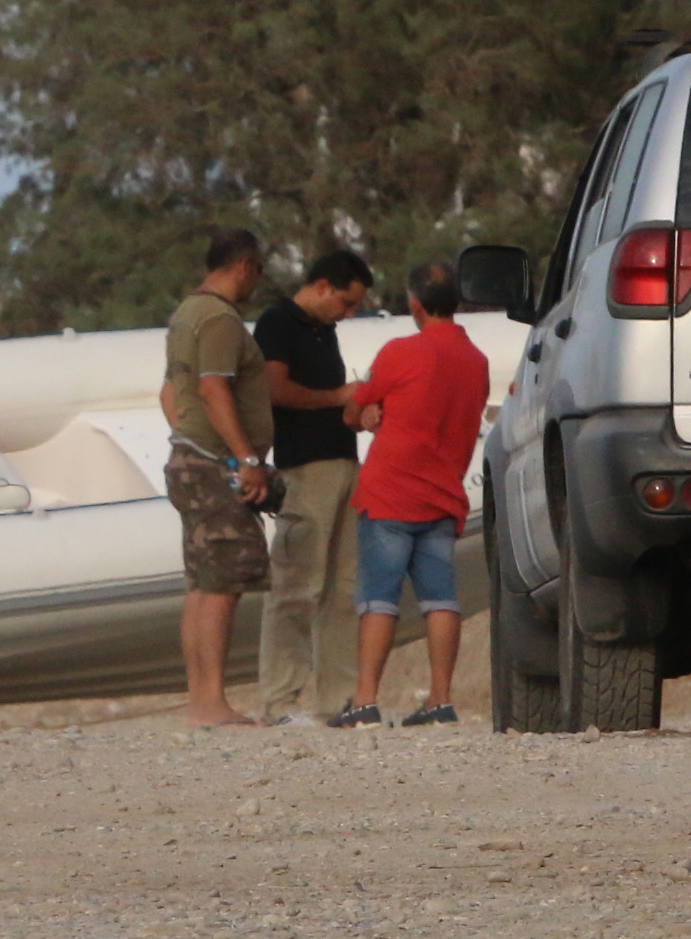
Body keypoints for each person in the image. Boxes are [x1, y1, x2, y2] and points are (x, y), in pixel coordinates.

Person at [326, 259, 490, 728]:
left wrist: (369, 416)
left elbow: (352, 412)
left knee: (379, 598)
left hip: (391, 492)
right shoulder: (477, 361)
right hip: (443, 493)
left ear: (415, 303)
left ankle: (365, 700)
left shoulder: (399, 352)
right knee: (440, 598)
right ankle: (440, 699)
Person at [161, 228, 277, 728]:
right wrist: (245, 458)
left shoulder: (185, 314)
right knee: (223, 582)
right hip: (214, 465)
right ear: (244, 266)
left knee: (202, 582)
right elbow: (213, 389)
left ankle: (201, 699)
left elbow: (170, 393)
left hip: (190, 458)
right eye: (258, 271)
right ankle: (211, 702)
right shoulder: (220, 319)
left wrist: (187, 438)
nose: (257, 282)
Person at [252, 248, 373, 724]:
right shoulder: (278, 323)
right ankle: (280, 699)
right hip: (303, 467)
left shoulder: (326, 330)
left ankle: (338, 698)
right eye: (347, 302)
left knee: (343, 587)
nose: (350, 313)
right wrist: (336, 397)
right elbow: (273, 389)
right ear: (323, 287)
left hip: (344, 460)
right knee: (296, 586)